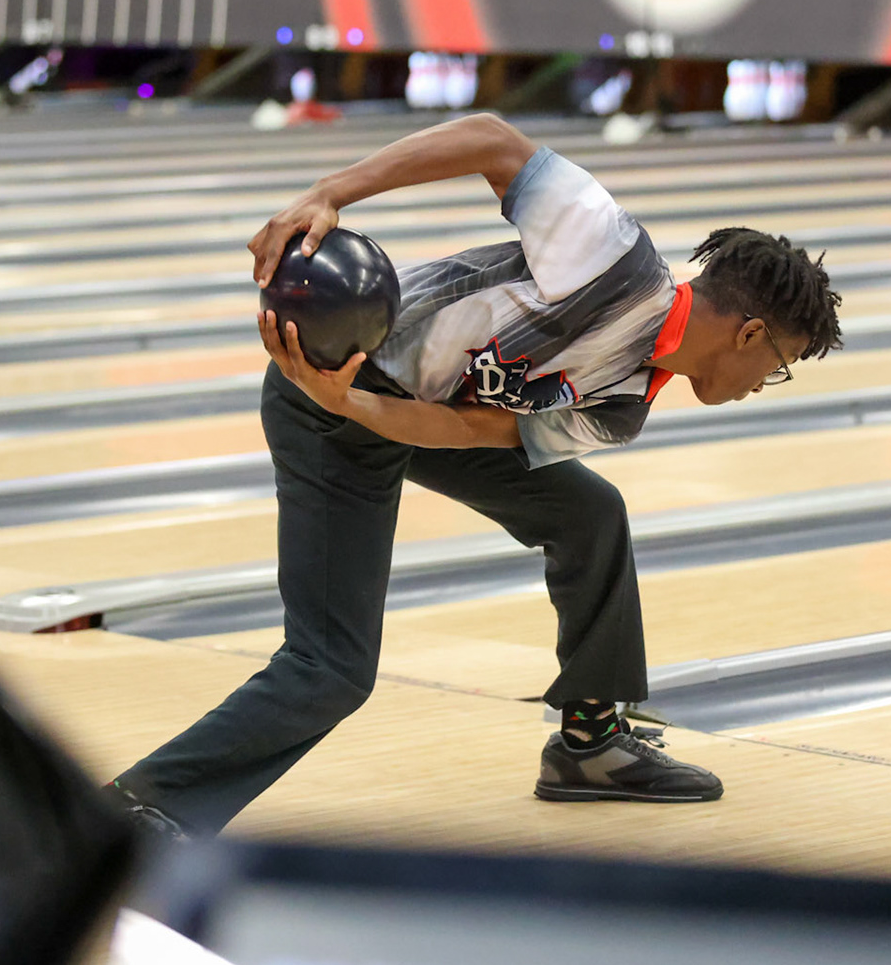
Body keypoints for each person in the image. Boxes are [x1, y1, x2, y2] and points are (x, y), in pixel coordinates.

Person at [109, 113, 844, 835]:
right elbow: (491, 138)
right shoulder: (612, 256)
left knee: (587, 514)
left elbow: (467, 430)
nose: (763, 381)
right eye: (777, 365)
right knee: (330, 668)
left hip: (387, 409)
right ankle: (138, 809)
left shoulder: (622, 405)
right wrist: (333, 193)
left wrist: (363, 409)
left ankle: (590, 747)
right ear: (750, 334)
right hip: (324, 399)